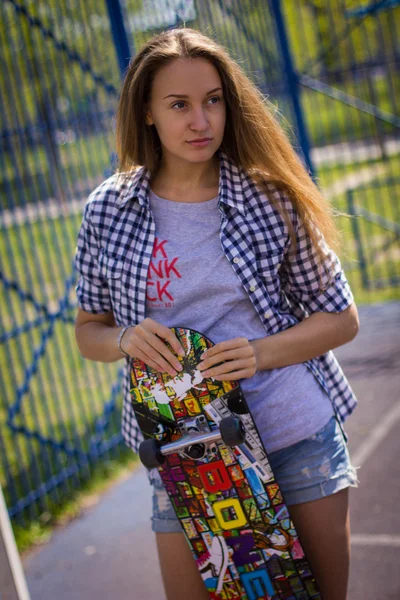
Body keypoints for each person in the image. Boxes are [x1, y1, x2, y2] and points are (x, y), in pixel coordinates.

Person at [74, 27, 359, 600]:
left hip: (293, 437)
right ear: (148, 113)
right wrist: (125, 339)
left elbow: (341, 318)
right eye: (179, 104)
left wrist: (259, 353)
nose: (200, 120)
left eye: (213, 100)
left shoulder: (270, 196)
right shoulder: (108, 208)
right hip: (184, 455)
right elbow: (89, 332)